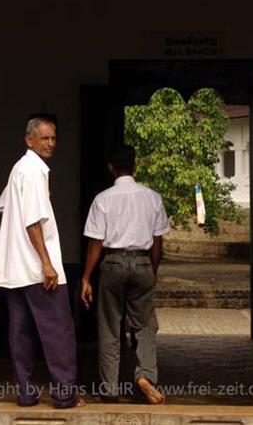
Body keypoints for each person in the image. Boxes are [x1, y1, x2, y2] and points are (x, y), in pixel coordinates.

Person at [0, 117, 84, 409]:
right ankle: (64, 395)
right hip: (35, 270)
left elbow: (4, 206)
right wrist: (46, 263)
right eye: (44, 138)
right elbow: (33, 221)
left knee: (20, 334)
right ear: (29, 140)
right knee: (59, 332)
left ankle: (26, 393)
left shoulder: (19, 169)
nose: (51, 144)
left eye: (54, 138)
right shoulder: (33, 171)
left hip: (14, 269)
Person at [81, 145, 169, 404]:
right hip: (141, 263)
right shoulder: (152, 197)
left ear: (111, 168)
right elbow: (157, 241)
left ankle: (109, 388)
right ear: (135, 166)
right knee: (145, 326)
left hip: (113, 264)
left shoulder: (103, 199)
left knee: (109, 327)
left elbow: (95, 243)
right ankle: (146, 376)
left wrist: (86, 277)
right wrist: (152, 270)